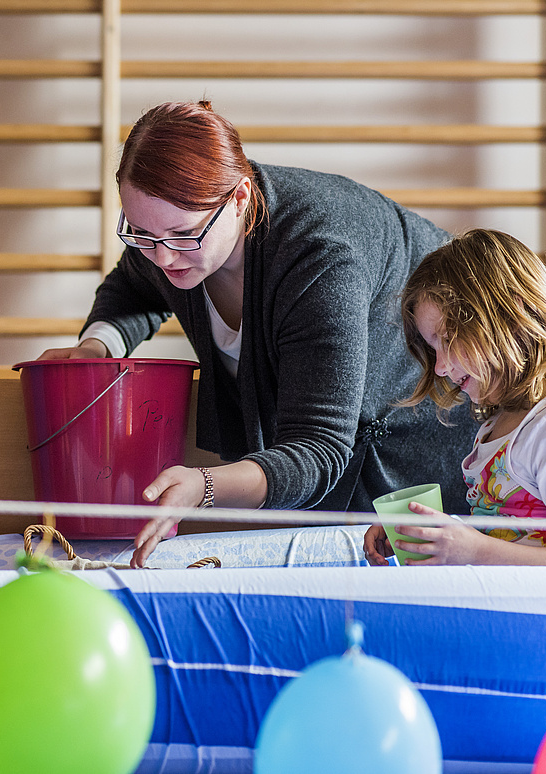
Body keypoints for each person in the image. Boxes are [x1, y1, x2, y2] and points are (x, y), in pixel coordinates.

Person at [39, 99, 478, 568]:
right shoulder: (171, 231)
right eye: (141, 234)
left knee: (401, 579)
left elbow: (319, 447)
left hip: (428, 417)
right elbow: (133, 285)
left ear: (240, 198)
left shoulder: (319, 256)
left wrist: (205, 485)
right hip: (334, 445)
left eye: (183, 236)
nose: (163, 258)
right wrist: (96, 346)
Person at [363, 229, 546, 566]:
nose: (440, 367)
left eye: (448, 338)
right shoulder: (500, 424)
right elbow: (510, 535)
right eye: (433, 349)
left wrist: (474, 550)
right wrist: (438, 535)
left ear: (513, 316)